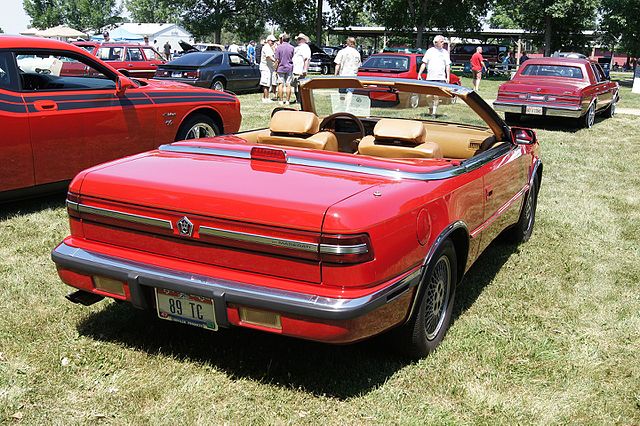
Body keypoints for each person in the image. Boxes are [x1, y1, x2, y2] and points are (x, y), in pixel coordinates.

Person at [417, 35, 451, 115]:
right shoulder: (430, 51)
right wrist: (419, 73)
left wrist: (447, 77)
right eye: (441, 41)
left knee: (436, 95)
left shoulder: (445, 52)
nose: (443, 43)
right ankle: (431, 107)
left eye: (443, 42)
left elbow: (447, 65)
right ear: (436, 43)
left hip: (440, 77)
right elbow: (424, 63)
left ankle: (434, 113)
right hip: (430, 77)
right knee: (428, 96)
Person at [291, 33, 311, 104]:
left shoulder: (305, 48)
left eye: (299, 39)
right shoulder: (298, 48)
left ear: (304, 40)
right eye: (297, 39)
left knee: (300, 85)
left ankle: (300, 100)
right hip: (295, 69)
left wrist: (305, 69)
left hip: (300, 70)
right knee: (295, 86)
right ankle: (298, 99)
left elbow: (306, 59)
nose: (297, 40)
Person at [275, 33, 294, 104]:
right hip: (289, 67)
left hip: (281, 67)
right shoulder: (292, 48)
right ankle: (287, 101)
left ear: (282, 39)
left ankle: (281, 100)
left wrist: (276, 68)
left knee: (280, 84)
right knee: (288, 84)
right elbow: (292, 57)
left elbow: (277, 60)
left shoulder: (278, 47)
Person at [259, 35, 277, 103]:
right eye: (272, 41)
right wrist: (275, 60)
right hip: (265, 67)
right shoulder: (266, 47)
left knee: (268, 83)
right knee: (266, 84)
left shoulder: (269, 47)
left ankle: (265, 97)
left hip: (268, 67)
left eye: (274, 41)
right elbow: (269, 56)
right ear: (268, 40)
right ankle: (266, 98)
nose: (273, 42)